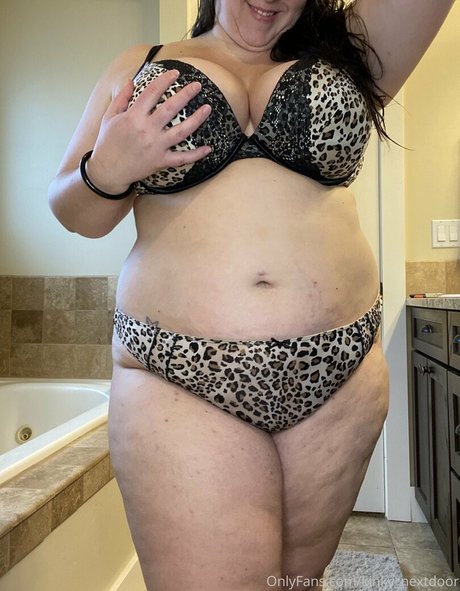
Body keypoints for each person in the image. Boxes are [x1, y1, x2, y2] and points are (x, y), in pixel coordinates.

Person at [49, 1, 454, 589]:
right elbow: (75, 214)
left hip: (338, 375)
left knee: (297, 582)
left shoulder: (349, 51)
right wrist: (107, 169)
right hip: (178, 374)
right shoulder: (142, 65)